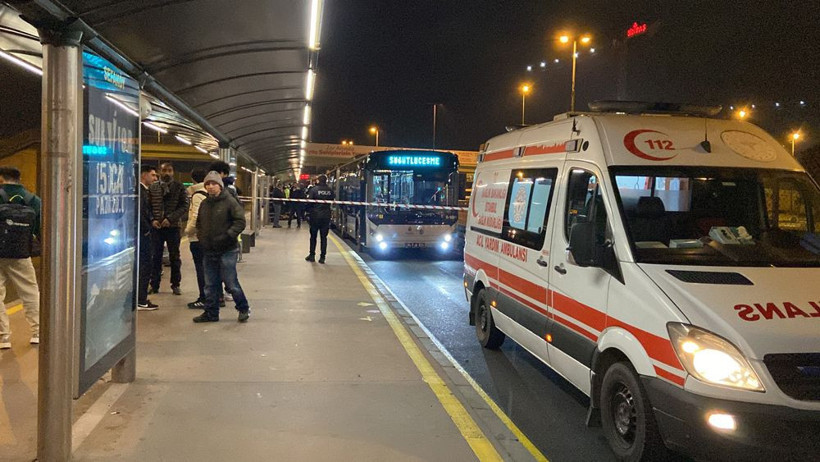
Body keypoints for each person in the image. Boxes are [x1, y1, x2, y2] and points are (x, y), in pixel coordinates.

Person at [193, 172, 250, 323]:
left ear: (220, 185)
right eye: (208, 184)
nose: (210, 187)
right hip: (209, 249)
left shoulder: (230, 202)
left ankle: (243, 308)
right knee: (210, 284)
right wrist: (201, 237)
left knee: (230, 282)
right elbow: (199, 223)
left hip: (227, 249)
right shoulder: (205, 203)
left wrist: (227, 236)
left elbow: (240, 222)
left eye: (214, 184)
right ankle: (211, 313)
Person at [0, 166, 41, 348]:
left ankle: (3, 336)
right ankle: (38, 332)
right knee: (30, 292)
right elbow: (41, 229)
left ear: (2, 179)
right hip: (22, 253)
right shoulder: (33, 200)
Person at [148, 162, 189, 295]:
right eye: (164, 170)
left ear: (173, 172)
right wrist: (152, 219)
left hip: (173, 227)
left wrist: (170, 218)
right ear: (160, 171)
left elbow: (184, 205)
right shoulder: (153, 188)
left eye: (169, 170)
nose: (167, 173)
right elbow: (147, 206)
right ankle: (154, 284)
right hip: (156, 227)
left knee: (175, 256)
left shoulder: (179, 187)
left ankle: (175, 284)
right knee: (155, 256)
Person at [185, 167, 210, 309]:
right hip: (208, 237)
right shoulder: (209, 192)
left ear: (193, 179)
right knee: (210, 269)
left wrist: (188, 231)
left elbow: (195, 216)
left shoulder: (197, 194)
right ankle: (215, 296)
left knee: (201, 269)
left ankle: (204, 297)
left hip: (198, 238)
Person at [137, 165, 159, 311]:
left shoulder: (143, 191)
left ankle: (140, 298)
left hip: (143, 232)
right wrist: (147, 229)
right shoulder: (140, 191)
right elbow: (141, 213)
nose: (155, 178)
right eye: (153, 175)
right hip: (142, 235)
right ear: (144, 175)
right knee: (145, 266)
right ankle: (141, 300)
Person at [305, 174, 334, 264]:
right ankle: (322, 257)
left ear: (318, 180)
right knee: (324, 237)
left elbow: (309, 202)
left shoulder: (314, 189)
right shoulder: (330, 190)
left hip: (315, 216)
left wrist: (307, 212)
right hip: (326, 216)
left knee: (313, 237)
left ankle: (312, 255)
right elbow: (332, 200)